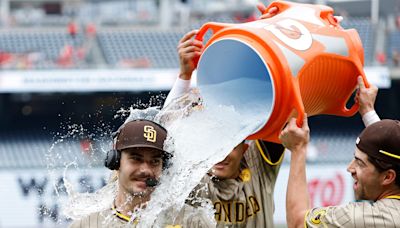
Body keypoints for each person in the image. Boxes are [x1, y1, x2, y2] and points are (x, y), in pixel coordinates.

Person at [279, 93, 400, 226]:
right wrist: (368, 112)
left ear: (388, 176)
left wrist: (298, 148)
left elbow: (297, 222)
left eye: (360, 163)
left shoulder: (361, 218)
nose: (350, 168)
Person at [69, 119, 172, 227]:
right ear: (116, 162)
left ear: (163, 167)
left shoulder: (187, 219)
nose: (145, 170)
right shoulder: (86, 225)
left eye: (155, 161)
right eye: (136, 159)